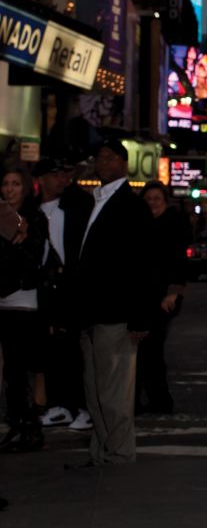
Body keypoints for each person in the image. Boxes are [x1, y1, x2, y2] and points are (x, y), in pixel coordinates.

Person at [68, 140, 153, 467]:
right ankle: (103, 448)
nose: (101, 163)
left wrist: (141, 318)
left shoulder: (131, 205)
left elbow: (143, 264)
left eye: (108, 158)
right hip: (93, 312)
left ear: (123, 163)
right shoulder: (97, 201)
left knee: (115, 392)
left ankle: (118, 452)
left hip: (117, 313)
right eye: (99, 157)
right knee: (95, 390)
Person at [34, 159, 94, 434]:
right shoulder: (32, 210)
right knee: (50, 348)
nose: (61, 180)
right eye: (54, 175)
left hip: (69, 288)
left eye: (64, 174)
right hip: (43, 288)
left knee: (71, 349)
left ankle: (81, 406)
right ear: (42, 179)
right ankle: (60, 405)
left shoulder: (73, 206)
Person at [0, 164, 48, 453]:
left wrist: (16, 244)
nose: (9, 189)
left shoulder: (33, 216)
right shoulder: (4, 216)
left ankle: (29, 425)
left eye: (15, 184)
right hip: (3, 298)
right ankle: (18, 423)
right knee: (11, 370)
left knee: (21, 367)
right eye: (5, 184)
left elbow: (31, 257)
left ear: (26, 187)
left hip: (24, 299)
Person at [135, 182, 190, 414]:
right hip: (146, 294)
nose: (152, 202)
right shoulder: (143, 225)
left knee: (151, 349)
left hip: (164, 295)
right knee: (145, 349)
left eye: (156, 198)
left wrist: (174, 292)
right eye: (148, 198)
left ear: (165, 201)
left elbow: (180, 261)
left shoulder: (173, 224)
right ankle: (151, 398)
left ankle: (158, 399)